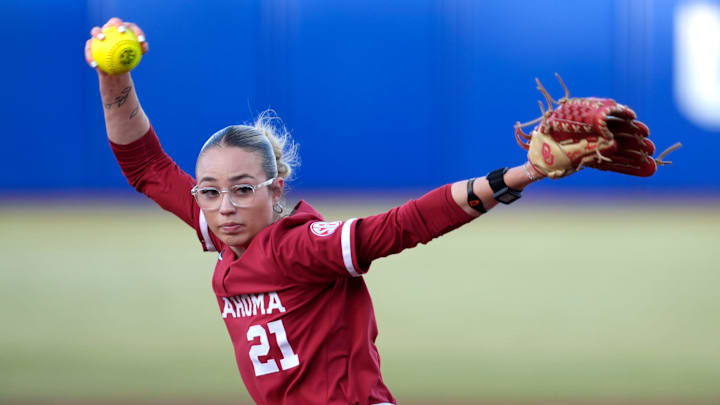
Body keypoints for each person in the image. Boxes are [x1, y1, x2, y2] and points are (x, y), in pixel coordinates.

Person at [86, 17, 546, 405]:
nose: (224, 206)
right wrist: (113, 72)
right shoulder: (224, 232)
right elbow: (144, 164)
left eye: (243, 189)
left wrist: (520, 175)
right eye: (209, 192)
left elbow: (405, 225)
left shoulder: (300, 247)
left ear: (275, 189)